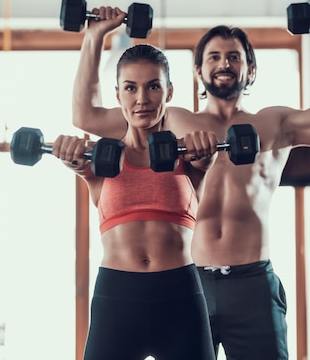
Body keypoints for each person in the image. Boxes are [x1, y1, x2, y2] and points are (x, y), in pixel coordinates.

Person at [72, 5, 310, 360]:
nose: (224, 63)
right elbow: (86, 115)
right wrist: (94, 36)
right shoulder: (170, 121)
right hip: (188, 282)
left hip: (252, 282)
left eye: (234, 56)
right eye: (214, 56)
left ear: (251, 68)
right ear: (198, 71)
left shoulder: (274, 125)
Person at [54, 43, 219, 360]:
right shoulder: (101, 160)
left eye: (153, 86)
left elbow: (204, 161)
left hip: (179, 298)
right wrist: (69, 154)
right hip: (118, 300)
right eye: (131, 88)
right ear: (118, 96)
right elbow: (79, 165)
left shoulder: (189, 155)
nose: (141, 99)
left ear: (168, 92)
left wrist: (205, 147)